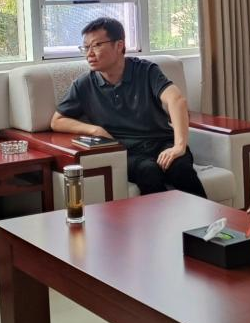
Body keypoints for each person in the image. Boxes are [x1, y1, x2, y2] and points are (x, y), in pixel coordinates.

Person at [51, 17, 207, 198]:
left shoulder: (146, 71)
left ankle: (207, 217)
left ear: (119, 45)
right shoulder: (84, 84)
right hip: (126, 152)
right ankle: (161, 218)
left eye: (97, 45)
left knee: (180, 169)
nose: (89, 54)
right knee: (149, 171)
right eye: (86, 48)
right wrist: (95, 130)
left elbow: (176, 100)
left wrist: (179, 146)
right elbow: (57, 121)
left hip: (163, 143)